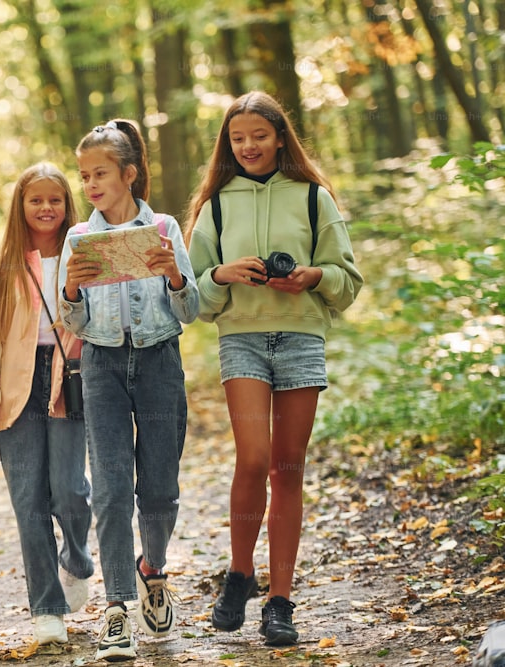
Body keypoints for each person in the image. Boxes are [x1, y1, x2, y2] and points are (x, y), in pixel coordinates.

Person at [184, 91, 363, 646]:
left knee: (288, 467)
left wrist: (312, 277)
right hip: (243, 338)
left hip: (302, 337)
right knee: (254, 459)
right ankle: (240, 574)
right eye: (238, 138)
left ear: (281, 138)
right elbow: (191, 297)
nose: (249, 146)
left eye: (259, 136)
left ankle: (280, 602)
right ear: (227, 145)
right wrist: (222, 275)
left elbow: (347, 281)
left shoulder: (314, 198)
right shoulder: (215, 205)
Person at [58, 120, 199, 662]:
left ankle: (152, 569)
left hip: (160, 361)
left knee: (159, 490)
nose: (90, 184)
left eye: (100, 174)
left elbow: (190, 312)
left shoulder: (163, 227)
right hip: (102, 367)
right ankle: (118, 609)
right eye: (84, 175)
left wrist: (176, 277)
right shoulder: (78, 237)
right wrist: (72, 284)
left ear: (129, 174)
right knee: (112, 489)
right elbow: (71, 316)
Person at [0, 162, 94, 646]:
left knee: (69, 492)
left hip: (70, 379)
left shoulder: (83, 254)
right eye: (35, 200)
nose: (46, 208)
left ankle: (78, 557)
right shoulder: (4, 267)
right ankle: (46, 606)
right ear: (20, 207)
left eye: (55, 200)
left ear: (67, 205)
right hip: (16, 388)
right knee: (28, 501)